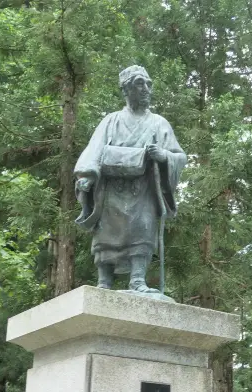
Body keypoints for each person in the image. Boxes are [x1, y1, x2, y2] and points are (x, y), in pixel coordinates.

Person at [74, 65, 187, 293]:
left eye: (148, 84)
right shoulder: (111, 121)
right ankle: (104, 281)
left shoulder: (159, 123)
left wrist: (163, 156)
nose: (146, 89)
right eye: (139, 83)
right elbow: (94, 150)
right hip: (111, 188)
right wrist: (86, 176)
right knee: (105, 231)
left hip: (143, 190)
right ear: (126, 89)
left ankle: (138, 280)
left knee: (143, 227)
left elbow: (180, 156)